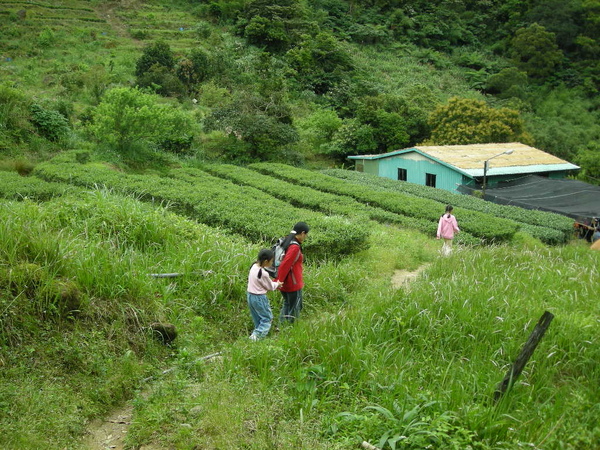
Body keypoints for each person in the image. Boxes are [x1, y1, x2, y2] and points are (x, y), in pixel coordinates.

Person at [276, 222, 309, 324]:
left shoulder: (287, 240)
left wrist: (278, 280)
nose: (306, 237)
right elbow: (285, 264)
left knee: (287, 304)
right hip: (292, 282)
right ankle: (291, 329)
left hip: (285, 281)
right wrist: (279, 281)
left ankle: (281, 326)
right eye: (306, 234)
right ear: (302, 233)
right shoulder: (294, 247)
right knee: (295, 307)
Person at [247, 248, 282, 341]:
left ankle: (257, 335)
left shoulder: (254, 266)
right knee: (267, 318)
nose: (272, 263)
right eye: (271, 261)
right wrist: (278, 284)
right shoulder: (263, 273)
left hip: (250, 296)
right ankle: (255, 338)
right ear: (266, 261)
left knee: (257, 318)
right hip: (259, 298)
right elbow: (270, 286)